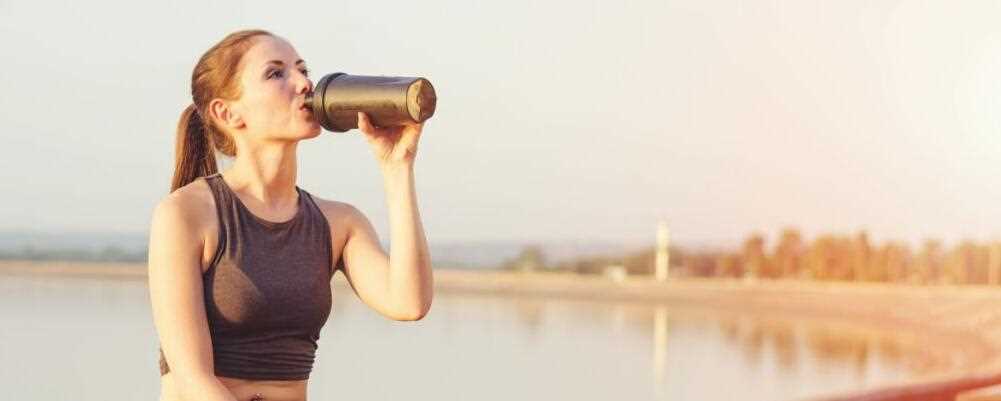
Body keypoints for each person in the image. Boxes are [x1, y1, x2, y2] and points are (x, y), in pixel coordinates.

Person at [147, 29, 433, 401]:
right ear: (227, 112)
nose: (303, 83)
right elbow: (193, 378)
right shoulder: (186, 213)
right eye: (275, 73)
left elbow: (408, 302)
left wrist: (397, 167)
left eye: (302, 69)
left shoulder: (338, 223)